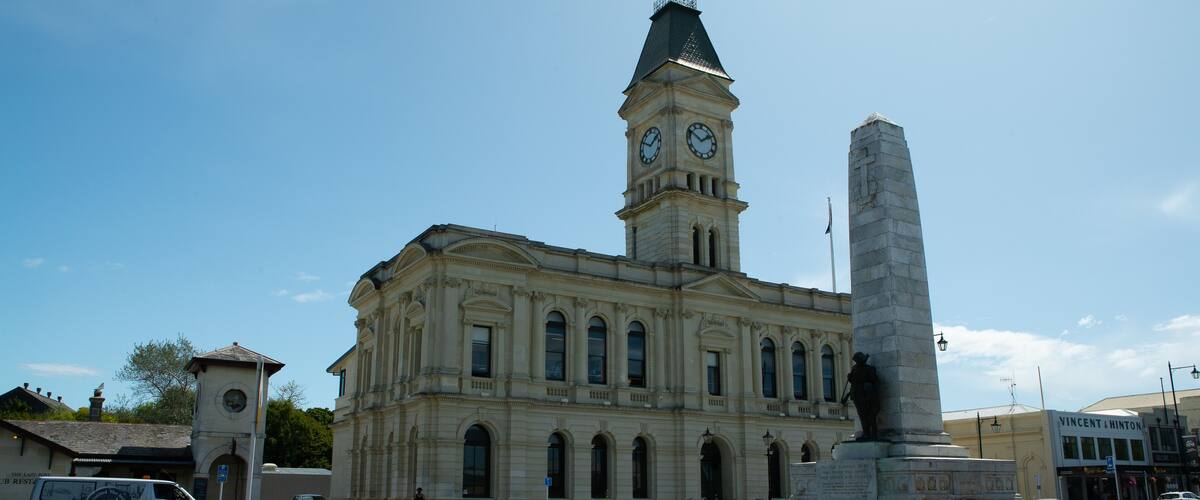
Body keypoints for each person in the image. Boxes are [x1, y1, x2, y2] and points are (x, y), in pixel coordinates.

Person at [841, 351, 881, 440]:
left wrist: (869, 388)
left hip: (865, 395)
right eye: (856, 360)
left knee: (869, 415)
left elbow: (875, 382)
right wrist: (850, 378)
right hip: (856, 394)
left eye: (858, 360)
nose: (857, 362)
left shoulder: (868, 369)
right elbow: (853, 382)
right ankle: (865, 433)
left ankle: (873, 434)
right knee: (861, 415)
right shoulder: (854, 368)